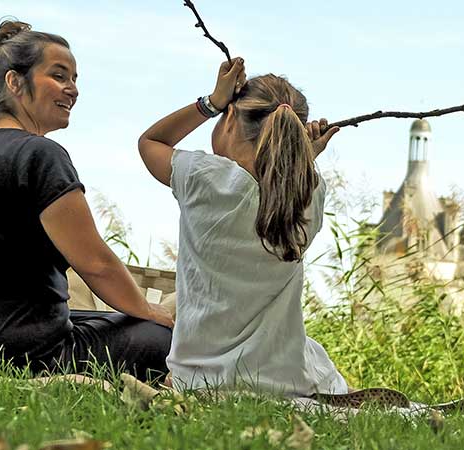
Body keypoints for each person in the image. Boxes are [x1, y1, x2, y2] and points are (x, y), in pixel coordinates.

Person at [0, 20, 174, 381]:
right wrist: (148, 311)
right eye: (59, 76)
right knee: (159, 336)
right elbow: (95, 263)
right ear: (14, 82)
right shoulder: (39, 154)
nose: (72, 90)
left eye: (74, 79)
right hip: (5, 350)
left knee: (105, 318)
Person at [136, 57, 350, 396]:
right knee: (316, 358)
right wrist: (305, 161)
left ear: (231, 117)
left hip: (199, 379)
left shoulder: (206, 178)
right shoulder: (311, 192)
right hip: (284, 376)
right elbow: (282, 187)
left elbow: (150, 143)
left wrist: (211, 102)